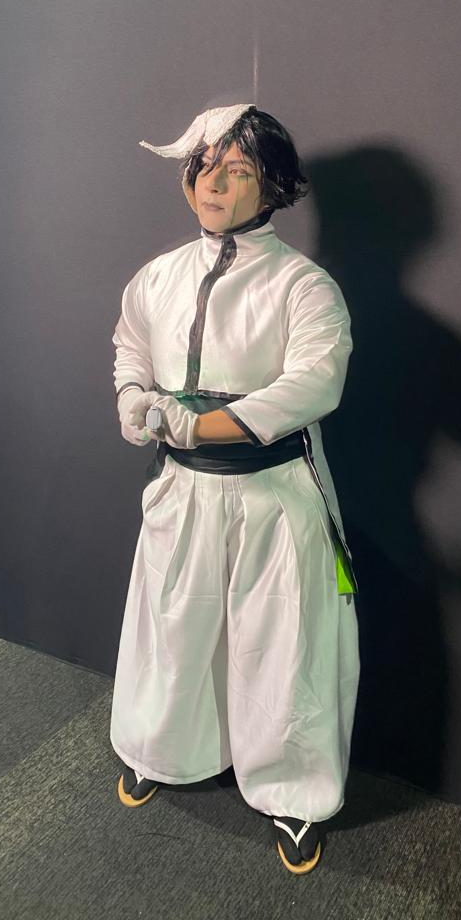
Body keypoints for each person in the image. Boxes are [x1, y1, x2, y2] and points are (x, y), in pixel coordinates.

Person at [110, 103, 360, 874]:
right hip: (183, 493)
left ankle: (293, 788)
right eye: (205, 164)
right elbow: (130, 344)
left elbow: (312, 385)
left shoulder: (303, 288)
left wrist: (199, 426)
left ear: (272, 186)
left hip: (272, 495)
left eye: (239, 169)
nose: (214, 181)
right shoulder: (157, 277)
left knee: (281, 643)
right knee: (173, 624)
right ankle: (162, 745)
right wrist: (132, 396)